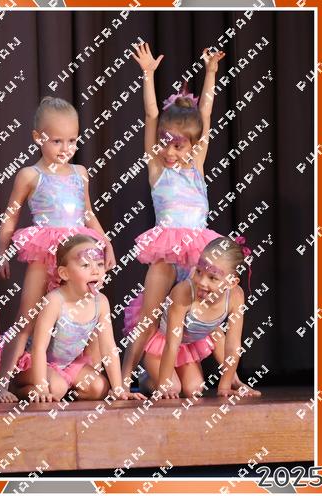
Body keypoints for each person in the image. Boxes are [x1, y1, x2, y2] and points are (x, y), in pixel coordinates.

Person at [0, 96, 115, 402]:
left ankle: (73, 374)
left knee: (86, 310)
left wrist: (106, 243)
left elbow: (88, 213)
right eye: (57, 141)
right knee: (28, 318)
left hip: (78, 253)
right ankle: (2, 383)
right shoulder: (30, 175)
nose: (65, 148)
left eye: (72, 140)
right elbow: (10, 217)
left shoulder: (80, 173)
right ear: (38, 137)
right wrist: (2, 252)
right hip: (43, 252)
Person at [121, 43, 225, 385]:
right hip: (166, 257)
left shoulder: (196, 165)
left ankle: (229, 375)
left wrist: (211, 72)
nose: (169, 151)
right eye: (164, 143)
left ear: (193, 145)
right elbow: (151, 115)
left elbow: (205, 114)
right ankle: (126, 377)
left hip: (196, 255)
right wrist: (148, 75)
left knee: (193, 387)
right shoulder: (157, 168)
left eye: (178, 145)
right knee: (150, 316)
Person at [12, 235, 144, 402]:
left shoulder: (101, 302)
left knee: (99, 388)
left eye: (100, 264)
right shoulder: (55, 301)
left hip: (68, 366)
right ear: (64, 273)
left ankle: (62, 394)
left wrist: (118, 388)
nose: (95, 271)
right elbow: (39, 348)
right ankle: (21, 391)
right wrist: (42, 388)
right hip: (37, 365)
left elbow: (108, 347)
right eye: (85, 265)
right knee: (57, 388)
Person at [141, 236, 260, 398]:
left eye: (212, 277)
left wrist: (225, 386)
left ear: (232, 282)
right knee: (172, 388)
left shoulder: (236, 296)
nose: (202, 282)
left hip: (187, 348)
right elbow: (171, 343)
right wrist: (162, 385)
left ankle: (172, 379)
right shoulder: (183, 293)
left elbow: (233, 345)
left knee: (194, 390)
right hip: (161, 348)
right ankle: (146, 380)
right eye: (198, 271)